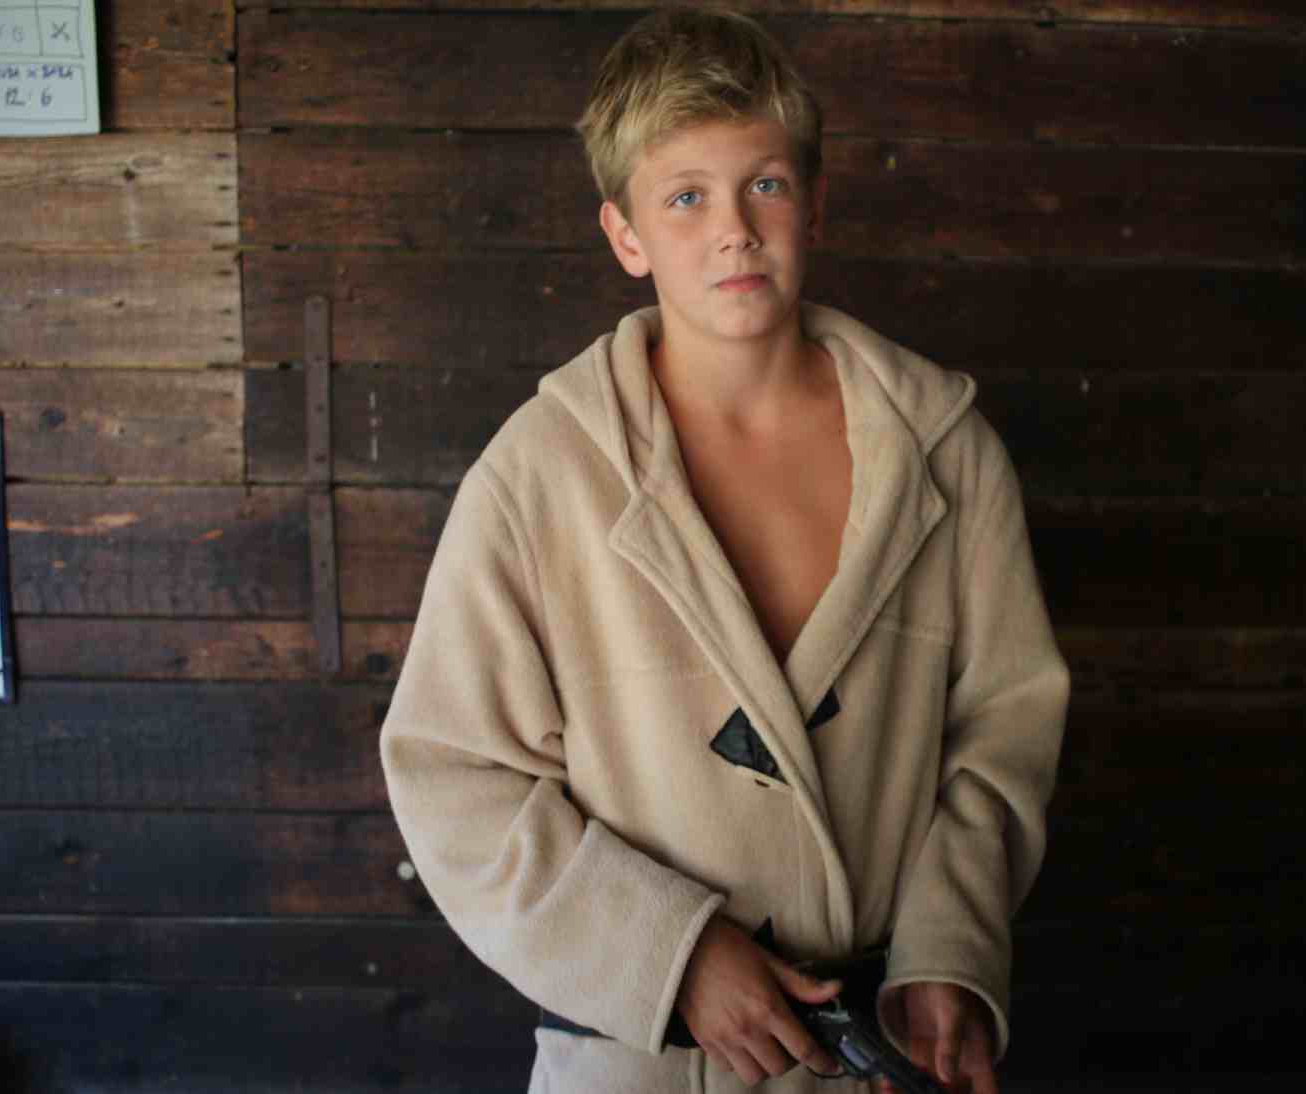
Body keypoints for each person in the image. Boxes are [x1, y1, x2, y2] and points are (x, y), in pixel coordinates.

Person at [378, 6, 1070, 1092]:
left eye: (766, 184)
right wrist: (673, 953)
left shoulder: (943, 451)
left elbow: (1004, 730)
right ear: (626, 235)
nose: (735, 229)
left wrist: (947, 953)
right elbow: (453, 772)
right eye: (686, 197)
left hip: (880, 1053)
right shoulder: (539, 473)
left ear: (815, 203)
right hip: (638, 1060)